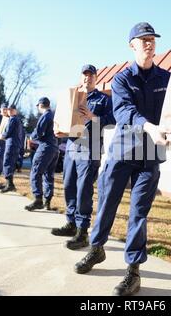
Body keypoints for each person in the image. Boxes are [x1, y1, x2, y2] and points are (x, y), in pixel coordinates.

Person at [74, 23, 171, 296]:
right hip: (122, 153)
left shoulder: (167, 78)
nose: (149, 43)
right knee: (106, 204)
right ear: (132, 45)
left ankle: (133, 272)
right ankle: (97, 249)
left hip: (150, 156)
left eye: (152, 39)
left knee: (139, 213)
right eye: (143, 40)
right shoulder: (121, 79)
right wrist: (149, 126)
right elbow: (124, 111)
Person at [52, 65, 115, 250]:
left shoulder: (104, 99)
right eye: (84, 75)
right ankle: (71, 223)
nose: (88, 78)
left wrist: (93, 117)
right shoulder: (73, 98)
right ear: (81, 78)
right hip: (72, 144)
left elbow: (114, 119)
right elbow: (63, 117)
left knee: (83, 189)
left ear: (96, 78)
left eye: (91, 75)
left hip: (90, 147)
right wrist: (59, 129)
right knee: (68, 184)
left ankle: (82, 231)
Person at [25, 97, 59, 211]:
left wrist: (32, 136)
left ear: (40, 105)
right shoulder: (54, 115)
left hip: (45, 147)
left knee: (35, 171)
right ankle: (47, 202)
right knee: (49, 175)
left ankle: (38, 199)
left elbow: (38, 132)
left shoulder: (45, 116)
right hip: (55, 147)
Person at [0, 104, 23, 193]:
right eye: (8, 110)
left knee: (8, 162)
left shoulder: (13, 119)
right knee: (10, 163)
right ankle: (10, 184)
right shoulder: (15, 119)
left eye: (11, 110)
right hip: (14, 144)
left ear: (15, 111)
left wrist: (2, 136)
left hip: (12, 144)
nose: (9, 111)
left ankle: (9, 184)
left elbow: (8, 131)